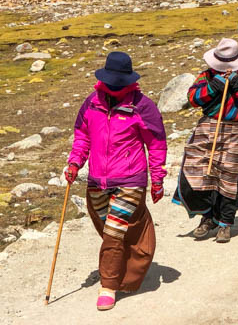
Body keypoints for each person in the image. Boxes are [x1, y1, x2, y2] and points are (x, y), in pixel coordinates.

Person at [65, 51, 167, 311]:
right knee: (112, 231)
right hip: (98, 180)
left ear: (129, 82)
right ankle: (127, 266)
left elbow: (156, 145)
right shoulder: (91, 103)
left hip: (131, 180)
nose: (114, 88)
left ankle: (108, 285)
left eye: (119, 84)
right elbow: (82, 136)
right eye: (111, 83)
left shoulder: (143, 106)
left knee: (113, 233)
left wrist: (156, 179)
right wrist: (75, 161)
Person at [173, 37, 238, 242]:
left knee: (230, 176)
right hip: (208, 128)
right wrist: (214, 86)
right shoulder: (206, 77)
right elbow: (192, 99)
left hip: (235, 132)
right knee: (204, 173)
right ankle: (207, 217)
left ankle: (225, 223)